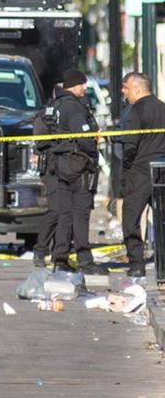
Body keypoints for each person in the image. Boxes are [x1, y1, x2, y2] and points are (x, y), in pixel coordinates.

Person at [48, 68, 107, 275]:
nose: (85, 87)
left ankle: (60, 259)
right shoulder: (74, 107)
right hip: (78, 166)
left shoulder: (57, 104)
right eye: (82, 84)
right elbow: (84, 138)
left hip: (61, 165)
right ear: (74, 84)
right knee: (80, 214)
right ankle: (85, 261)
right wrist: (94, 147)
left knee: (64, 214)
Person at [118, 72, 165, 278]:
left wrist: (127, 168)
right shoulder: (162, 107)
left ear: (138, 88)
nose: (123, 91)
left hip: (140, 169)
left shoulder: (135, 111)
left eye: (126, 87)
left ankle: (137, 263)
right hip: (162, 167)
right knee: (161, 217)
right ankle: (162, 265)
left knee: (132, 216)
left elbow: (130, 144)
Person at [32, 83, 63, 268]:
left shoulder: (75, 109)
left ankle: (59, 252)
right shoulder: (46, 115)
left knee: (65, 211)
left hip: (69, 167)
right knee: (56, 209)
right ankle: (41, 249)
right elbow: (40, 141)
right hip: (52, 167)